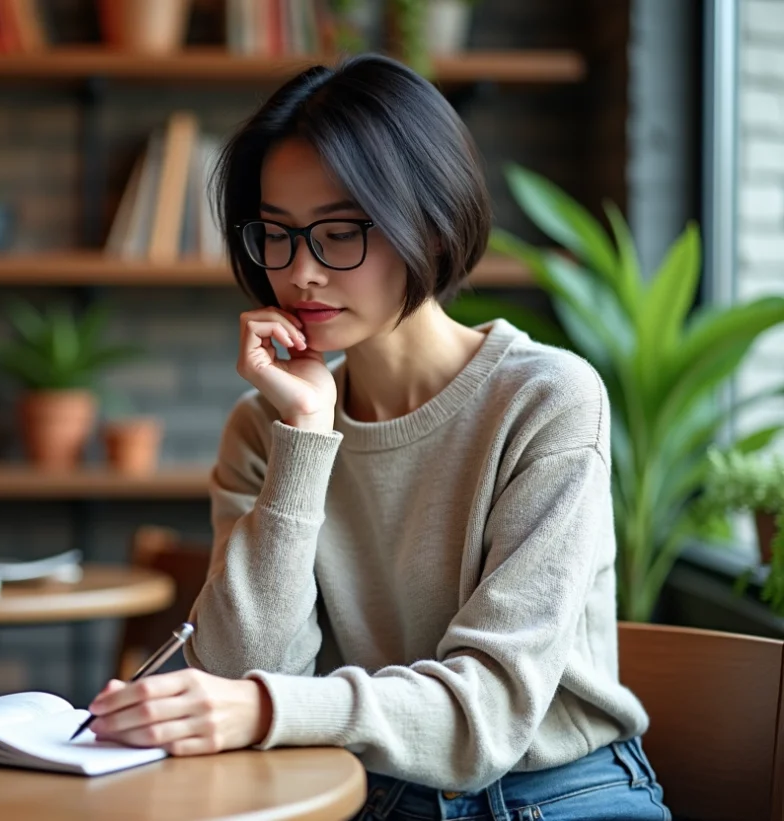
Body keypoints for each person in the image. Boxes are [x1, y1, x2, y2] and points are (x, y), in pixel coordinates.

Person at [84, 53, 671, 820]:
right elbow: (246, 667)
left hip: (558, 793)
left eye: (340, 233)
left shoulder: (546, 400)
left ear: (425, 221)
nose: (301, 273)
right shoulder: (267, 425)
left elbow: (484, 716)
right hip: (364, 791)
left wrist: (264, 711)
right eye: (278, 235)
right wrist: (305, 434)